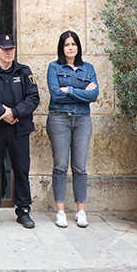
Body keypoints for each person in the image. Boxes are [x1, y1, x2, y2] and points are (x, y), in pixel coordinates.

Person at [0, 34, 39, 229]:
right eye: (5, 49)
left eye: (11, 48)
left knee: (21, 169)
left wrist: (15, 112)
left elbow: (33, 98)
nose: (9, 52)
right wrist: (4, 112)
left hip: (19, 129)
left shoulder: (24, 71)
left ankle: (23, 210)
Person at [46, 30, 99, 229]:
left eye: (73, 44)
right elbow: (55, 95)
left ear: (78, 47)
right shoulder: (54, 67)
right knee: (60, 166)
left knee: (80, 167)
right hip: (59, 119)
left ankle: (80, 211)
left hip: (83, 120)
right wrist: (82, 92)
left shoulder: (88, 68)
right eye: (67, 44)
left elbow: (94, 96)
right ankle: (60, 211)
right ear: (62, 48)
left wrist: (69, 90)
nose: (70, 48)